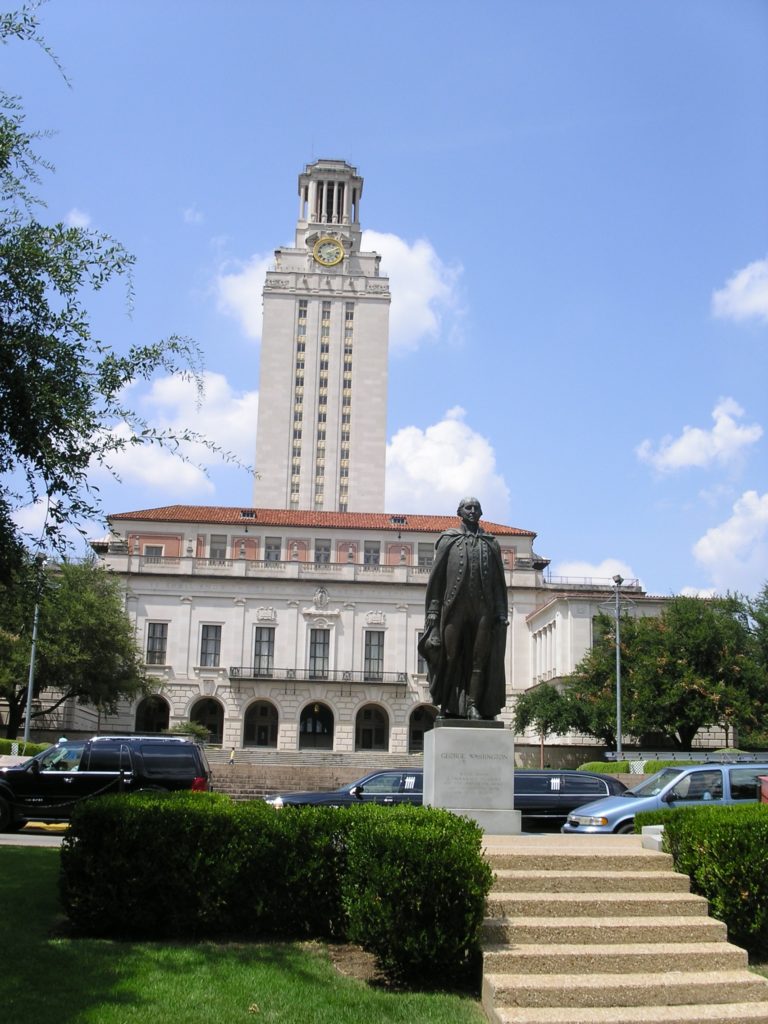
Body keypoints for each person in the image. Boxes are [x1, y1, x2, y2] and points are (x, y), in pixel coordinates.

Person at [418, 497, 508, 720]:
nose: (472, 511)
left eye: (476, 508)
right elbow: (437, 578)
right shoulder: (449, 540)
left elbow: (498, 582)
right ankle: (447, 704)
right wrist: (433, 610)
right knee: (450, 656)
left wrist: (500, 610)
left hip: (483, 609)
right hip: (454, 607)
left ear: (481, 513)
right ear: (460, 511)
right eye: (468, 507)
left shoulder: (490, 543)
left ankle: (473, 705)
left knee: (479, 659)